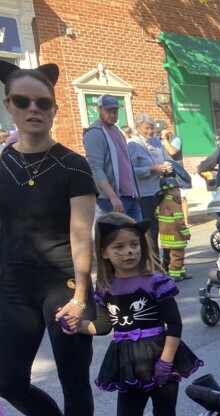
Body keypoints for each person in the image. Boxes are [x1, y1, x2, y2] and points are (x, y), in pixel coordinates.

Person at [0, 62, 98, 416]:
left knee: (73, 377)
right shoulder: (1, 161)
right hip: (12, 285)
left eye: (42, 103)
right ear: (9, 107)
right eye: (23, 101)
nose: (33, 109)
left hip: (63, 284)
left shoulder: (73, 166)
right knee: (7, 379)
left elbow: (81, 235)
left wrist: (80, 295)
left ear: (55, 109)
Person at [78, 214, 201, 416]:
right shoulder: (105, 287)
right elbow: (104, 326)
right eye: (119, 247)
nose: (129, 252)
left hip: (162, 356)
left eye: (134, 245)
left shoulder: (155, 281)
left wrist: (166, 362)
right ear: (105, 253)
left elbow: (175, 325)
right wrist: (76, 325)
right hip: (127, 363)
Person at [84, 94, 142, 219]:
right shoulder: (94, 133)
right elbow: (95, 168)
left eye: (115, 111)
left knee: (138, 236)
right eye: (108, 111)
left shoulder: (117, 131)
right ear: (99, 109)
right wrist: (113, 197)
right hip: (112, 200)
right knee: (117, 237)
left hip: (131, 197)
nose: (112, 114)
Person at [127, 113, 172, 257]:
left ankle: (168, 262)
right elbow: (130, 170)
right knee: (151, 230)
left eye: (152, 128)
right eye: (146, 128)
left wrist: (167, 166)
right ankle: (154, 263)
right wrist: (151, 169)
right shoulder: (133, 144)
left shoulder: (157, 142)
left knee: (166, 227)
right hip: (146, 194)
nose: (150, 132)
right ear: (138, 128)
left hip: (161, 190)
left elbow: (165, 159)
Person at [158, 175, 191, 280]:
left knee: (175, 255)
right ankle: (175, 275)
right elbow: (179, 222)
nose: (179, 191)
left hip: (167, 237)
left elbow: (156, 213)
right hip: (176, 237)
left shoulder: (163, 203)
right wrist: (186, 233)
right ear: (170, 191)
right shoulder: (174, 204)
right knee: (178, 256)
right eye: (177, 189)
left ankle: (182, 272)